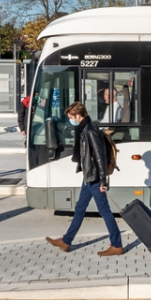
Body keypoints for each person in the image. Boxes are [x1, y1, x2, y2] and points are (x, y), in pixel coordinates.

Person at [45, 102, 124, 256]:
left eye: (71, 118)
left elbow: (100, 157)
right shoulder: (84, 129)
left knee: (105, 211)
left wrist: (103, 182)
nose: (70, 120)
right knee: (80, 209)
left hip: (94, 178)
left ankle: (117, 245)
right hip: (88, 176)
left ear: (78, 116)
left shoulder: (90, 131)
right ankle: (66, 241)